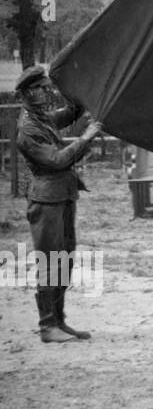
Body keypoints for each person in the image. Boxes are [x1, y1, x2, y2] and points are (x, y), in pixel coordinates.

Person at [14, 66, 102, 343]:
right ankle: (47, 325)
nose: (46, 92)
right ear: (28, 93)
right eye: (40, 88)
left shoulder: (40, 118)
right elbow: (57, 160)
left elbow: (67, 114)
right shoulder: (28, 127)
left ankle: (59, 321)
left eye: (46, 87)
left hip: (61, 196)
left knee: (65, 259)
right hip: (46, 199)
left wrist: (79, 95)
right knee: (51, 262)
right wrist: (87, 137)